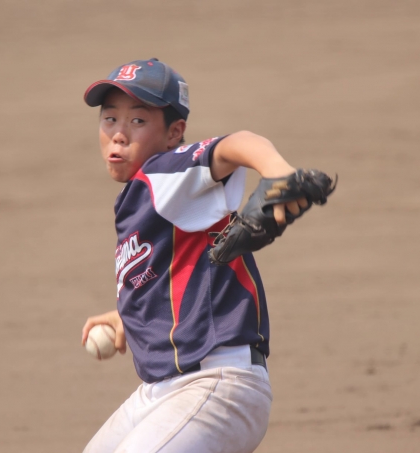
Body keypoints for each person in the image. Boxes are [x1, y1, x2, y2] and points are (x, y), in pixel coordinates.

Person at [80, 58, 312, 453]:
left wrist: (278, 171)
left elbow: (237, 143)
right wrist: (127, 314)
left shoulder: (163, 173)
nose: (118, 133)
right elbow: (176, 272)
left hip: (216, 384)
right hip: (163, 392)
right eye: (110, 118)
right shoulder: (144, 197)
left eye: (138, 120)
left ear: (174, 133)